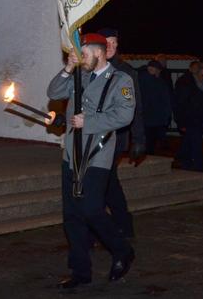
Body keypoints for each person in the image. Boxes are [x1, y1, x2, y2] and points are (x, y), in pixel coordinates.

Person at [46, 33, 136, 288]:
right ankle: (80, 271)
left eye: (83, 54)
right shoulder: (79, 75)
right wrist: (68, 67)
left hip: (97, 155)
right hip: (71, 155)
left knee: (92, 210)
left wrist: (90, 122)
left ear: (100, 52)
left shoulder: (121, 79)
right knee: (72, 214)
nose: (80, 58)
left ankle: (122, 249)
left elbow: (124, 115)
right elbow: (53, 91)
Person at [97, 27, 145, 239]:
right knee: (105, 182)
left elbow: (136, 108)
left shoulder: (125, 72)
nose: (112, 47)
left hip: (114, 138)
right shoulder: (90, 69)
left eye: (115, 43)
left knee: (104, 182)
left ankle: (119, 226)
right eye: (108, 42)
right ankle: (121, 225)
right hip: (91, 136)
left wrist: (139, 138)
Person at [174, 60, 203, 170]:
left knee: (189, 143)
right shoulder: (186, 84)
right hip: (190, 120)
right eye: (202, 75)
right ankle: (195, 166)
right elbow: (179, 104)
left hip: (199, 121)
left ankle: (186, 163)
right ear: (196, 73)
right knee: (194, 145)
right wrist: (181, 122)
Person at [139, 60, 173, 155]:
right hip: (152, 117)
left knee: (149, 142)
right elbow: (165, 100)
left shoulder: (141, 79)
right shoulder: (156, 82)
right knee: (150, 143)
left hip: (148, 116)